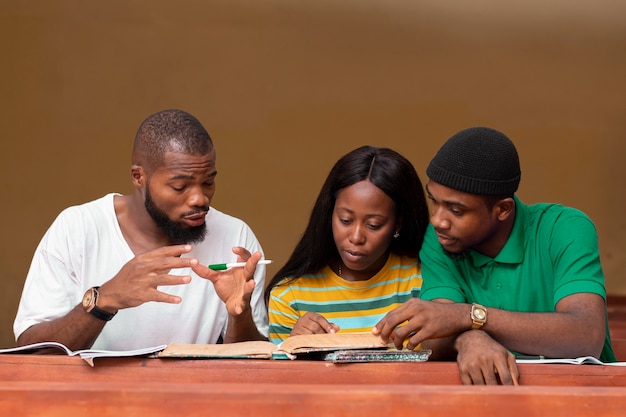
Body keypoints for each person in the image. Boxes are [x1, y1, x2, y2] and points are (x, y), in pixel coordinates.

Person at [373, 126, 616, 385]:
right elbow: (439, 326)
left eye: (456, 210)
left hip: (585, 398)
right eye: (434, 200)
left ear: (502, 209)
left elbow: (586, 336)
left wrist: (470, 316)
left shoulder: (564, 229)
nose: (437, 220)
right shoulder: (440, 239)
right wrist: (471, 337)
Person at [13, 109, 269, 351]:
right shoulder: (78, 228)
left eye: (209, 182)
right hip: (90, 399)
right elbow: (32, 351)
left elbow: (252, 368)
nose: (199, 199)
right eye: (180, 187)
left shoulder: (236, 239)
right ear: (138, 177)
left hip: (190, 398)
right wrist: (105, 299)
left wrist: (239, 314)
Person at [265, 146, 430, 344]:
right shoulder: (289, 295)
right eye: (345, 220)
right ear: (330, 214)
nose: (356, 237)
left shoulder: (423, 283)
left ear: (398, 223)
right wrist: (296, 346)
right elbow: (281, 374)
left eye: (373, 225)